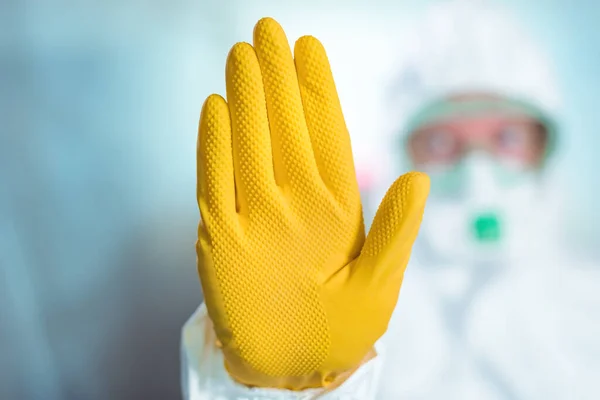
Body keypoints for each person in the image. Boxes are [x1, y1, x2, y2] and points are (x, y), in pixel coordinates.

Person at [182, 3, 600, 399]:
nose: (478, 176)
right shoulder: (325, 289)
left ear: (545, 146)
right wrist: (283, 389)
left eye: (507, 138)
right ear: (397, 152)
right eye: (440, 141)